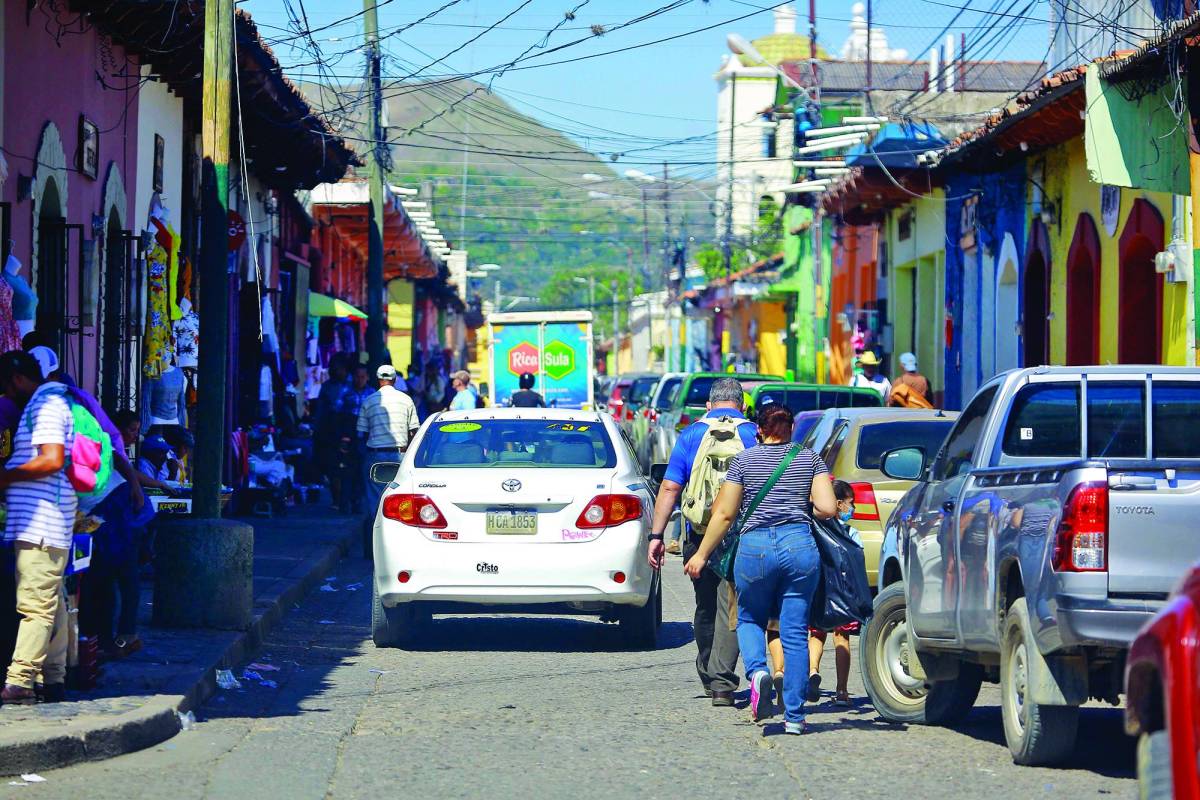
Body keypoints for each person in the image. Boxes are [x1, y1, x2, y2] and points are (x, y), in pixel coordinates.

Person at [683, 403, 836, 733]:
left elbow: (724, 514)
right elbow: (827, 507)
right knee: (794, 631)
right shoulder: (810, 459)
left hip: (755, 550)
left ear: (758, 431)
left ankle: (757, 672)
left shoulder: (743, 461)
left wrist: (701, 555)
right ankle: (794, 717)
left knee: (750, 617)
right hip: (799, 547)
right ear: (791, 428)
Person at [647, 377, 758, 707]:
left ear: (708, 405)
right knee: (732, 606)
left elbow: (669, 488)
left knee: (706, 604)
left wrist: (657, 535)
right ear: (742, 404)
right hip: (740, 534)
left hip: (698, 534)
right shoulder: (754, 434)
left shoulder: (692, 434)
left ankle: (709, 673)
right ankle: (723, 682)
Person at [0, 351, 75, 704]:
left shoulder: (45, 406)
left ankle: (20, 681)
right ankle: (54, 678)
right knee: (52, 602)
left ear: (16, 379)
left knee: (35, 607)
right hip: (47, 522)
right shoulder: (53, 402)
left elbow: (52, 459)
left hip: (40, 523)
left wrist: (6, 476)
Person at [808, 480, 863, 706]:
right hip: (844, 591)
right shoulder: (851, 532)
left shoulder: (816, 529)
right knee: (842, 637)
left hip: (820, 590)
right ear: (838, 504)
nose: (854, 508)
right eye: (851, 503)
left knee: (816, 634)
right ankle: (841, 691)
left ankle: (812, 672)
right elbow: (858, 560)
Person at [357, 364, 419, 519]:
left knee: (375, 500)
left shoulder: (368, 401)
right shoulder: (406, 400)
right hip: (400, 456)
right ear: (395, 379)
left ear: (378, 380)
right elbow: (414, 431)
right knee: (401, 496)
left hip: (375, 456)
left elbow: (361, 433)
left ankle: (376, 532)